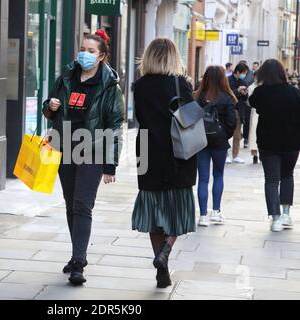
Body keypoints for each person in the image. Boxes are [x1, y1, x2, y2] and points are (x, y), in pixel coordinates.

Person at [42, 30, 124, 285]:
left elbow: (115, 124)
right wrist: (50, 106)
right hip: (64, 147)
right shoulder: (66, 77)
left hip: (92, 150)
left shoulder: (109, 85)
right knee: (70, 204)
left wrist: (110, 164)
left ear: (101, 56)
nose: (84, 54)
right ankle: (76, 252)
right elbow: (49, 111)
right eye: (82, 49)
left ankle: (79, 261)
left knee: (82, 205)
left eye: (90, 51)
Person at [132, 38, 196, 289]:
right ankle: (166, 250)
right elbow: (190, 118)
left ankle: (163, 269)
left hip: (148, 151)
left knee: (154, 211)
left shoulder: (140, 86)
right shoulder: (181, 84)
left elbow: (140, 118)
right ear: (173, 57)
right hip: (178, 153)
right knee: (177, 211)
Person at [249, 59, 300, 232]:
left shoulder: (260, 92)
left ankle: (275, 219)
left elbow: (252, 103)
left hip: (268, 143)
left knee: (271, 180)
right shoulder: (294, 92)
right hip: (291, 143)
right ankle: (286, 214)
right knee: (287, 176)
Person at [195, 66, 237, 227]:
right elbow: (232, 122)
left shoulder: (198, 96)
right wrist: (224, 136)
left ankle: (203, 216)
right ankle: (216, 212)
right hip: (219, 142)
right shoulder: (227, 98)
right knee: (218, 175)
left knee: (203, 178)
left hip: (201, 141)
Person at [227, 62, 250, 164]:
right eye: (243, 73)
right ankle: (226, 155)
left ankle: (235, 155)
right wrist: (237, 91)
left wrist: (245, 93)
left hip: (239, 110)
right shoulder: (228, 81)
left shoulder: (243, 82)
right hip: (228, 109)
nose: (244, 75)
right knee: (227, 133)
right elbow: (228, 94)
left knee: (237, 134)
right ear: (237, 71)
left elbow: (245, 98)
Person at [248, 71, 259, 164]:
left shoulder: (266, 86)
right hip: (255, 112)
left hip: (264, 112)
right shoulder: (251, 87)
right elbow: (249, 102)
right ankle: (255, 154)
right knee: (254, 133)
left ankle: (263, 153)